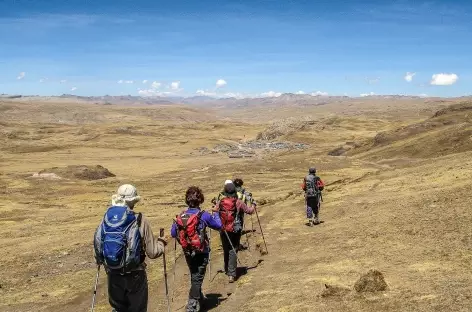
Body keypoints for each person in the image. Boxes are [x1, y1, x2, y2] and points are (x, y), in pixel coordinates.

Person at [93, 184, 167, 312]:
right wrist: (161, 243)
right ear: (134, 201)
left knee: (118, 308)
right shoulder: (139, 219)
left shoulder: (107, 218)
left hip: (113, 273)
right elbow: (153, 252)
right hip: (135, 274)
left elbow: (98, 244)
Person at [171, 186, 222, 312]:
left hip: (187, 251)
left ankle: (199, 299)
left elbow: (173, 233)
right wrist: (215, 212)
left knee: (195, 275)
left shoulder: (182, 216)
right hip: (201, 251)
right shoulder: (203, 215)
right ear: (200, 200)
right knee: (197, 277)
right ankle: (192, 306)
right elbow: (219, 226)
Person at [212, 180, 255, 283]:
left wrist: (214, 207)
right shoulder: (238, 202)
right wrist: (254, 204)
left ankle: (227, 269)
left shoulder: (221, 202)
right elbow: (249, 211)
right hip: (235, 229)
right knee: (233, 249)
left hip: (223, 229)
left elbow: (215, 210)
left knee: (226, 249)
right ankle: (231, 274)